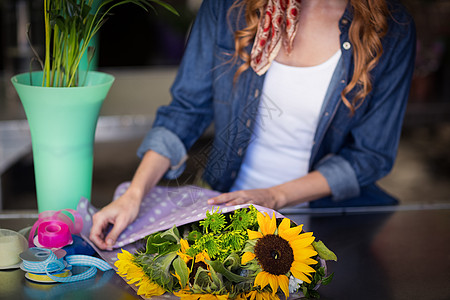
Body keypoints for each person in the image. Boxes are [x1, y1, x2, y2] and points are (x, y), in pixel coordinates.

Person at [90, 0, 416, 250]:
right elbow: (186, 110)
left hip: (330, 222)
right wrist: (134, 194)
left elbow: (370, 155)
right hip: (229, 210)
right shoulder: (227, 7)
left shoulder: (393, 28)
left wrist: (275, 196)